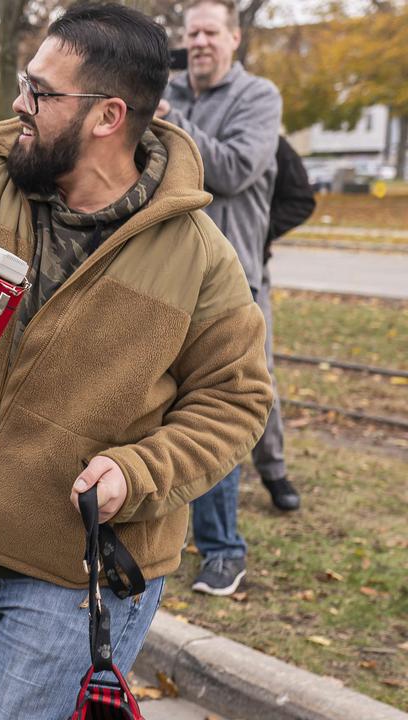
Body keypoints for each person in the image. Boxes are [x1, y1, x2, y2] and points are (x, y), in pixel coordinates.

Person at [0, 5, 273, 716]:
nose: (19, 102)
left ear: (107, 116)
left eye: (40, 91)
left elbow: (237, 401)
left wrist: (139, 472)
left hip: (76, 581)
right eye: (23, 82)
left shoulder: (200, 259)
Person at [157, 0, 288, 597]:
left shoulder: (258, 98)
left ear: (234, 38)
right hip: (163, 274)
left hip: (229, 289)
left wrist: (169, 121)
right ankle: (162, 533)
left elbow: (233, 168)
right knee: (157, 403)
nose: (200, 41)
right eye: (192, 33)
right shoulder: (169, 90)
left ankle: (222, 551)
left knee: (217, 408)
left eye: (211, 31)